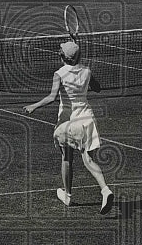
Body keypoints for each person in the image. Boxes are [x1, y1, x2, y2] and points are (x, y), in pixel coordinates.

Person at [24, 39, 115, 214]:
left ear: (62, 56)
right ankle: (105, 189)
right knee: (88, 158)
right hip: (87, 119)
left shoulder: (59, 73)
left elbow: (51, 97)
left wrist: (34, 106)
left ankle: (68, 196)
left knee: (67, 157)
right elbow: (98, 88)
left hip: (68, 122)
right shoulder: (87, 71)